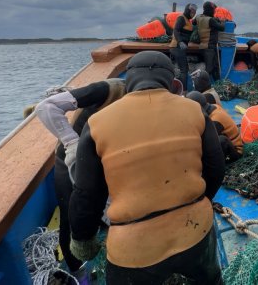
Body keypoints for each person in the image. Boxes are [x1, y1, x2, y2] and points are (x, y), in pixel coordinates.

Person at [69, 51, 225, 284]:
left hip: (134, 250)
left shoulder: (96, 124)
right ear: (173, 83)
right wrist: (198, 202)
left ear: (127, 83)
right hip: (196, 230)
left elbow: (86, 196)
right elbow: (216, 168)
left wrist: (83, 242)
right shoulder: (194, 111)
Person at [35, 79, 127, 275]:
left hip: (101, 155)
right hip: (71, 158)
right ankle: (78, 273)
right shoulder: (107, 90)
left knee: (104, 210)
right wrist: (71, 142)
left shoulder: (146, 104)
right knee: (72, 217)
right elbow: (46, 108)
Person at [187, 91, 243, 162]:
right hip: (229, 143)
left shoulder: (215, 121)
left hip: (235, 151)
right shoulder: (214, 106)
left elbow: (206, 142)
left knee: (216, 142)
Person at [169, 3, 197, 91]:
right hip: (176, 47)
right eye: (191, 12)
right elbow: (176, 30)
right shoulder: (181, 18)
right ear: (187, 10)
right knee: (184, 70)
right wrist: (180, 42)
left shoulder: (189, 21)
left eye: (194, 12)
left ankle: (177, 89)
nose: (193, 14)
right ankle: (183, 91)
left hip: (181, 48)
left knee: (183, 69)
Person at [195, 1, 225, 82]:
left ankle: (218, 84)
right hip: (209, 47)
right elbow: (222, 28)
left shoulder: (198, 17)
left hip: (203, 46)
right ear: (210, 10)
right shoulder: (211, 20)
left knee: (215, 67)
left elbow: (194, 22)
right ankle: (202, 87)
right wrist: (222, 20)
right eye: (213, 10)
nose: (214, 12)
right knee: (209, 69)